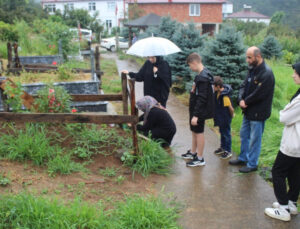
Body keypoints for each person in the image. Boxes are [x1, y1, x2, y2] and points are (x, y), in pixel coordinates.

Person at [229, 46, 275, 173]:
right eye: (247, 57)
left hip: (258, 113)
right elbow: (243, 85)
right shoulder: (252, 69)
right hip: (248, 111)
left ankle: (252, 163)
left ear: (258, 56)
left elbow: (260, 93)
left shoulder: (266, 73)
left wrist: (246, 101)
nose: (247, 60)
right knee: (244, 135)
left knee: (255, 139)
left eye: (249, 57)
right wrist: (240, 99)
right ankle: (243, 158)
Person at [264, 62, 300, 222]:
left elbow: (283, 117)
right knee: (295, 173)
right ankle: (291, 203)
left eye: (296, 73)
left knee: (277, 171)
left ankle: (283, 208)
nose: (293, 75)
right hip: (297, 145)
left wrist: (284, 111)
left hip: (293, 143)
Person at [181, 53, 214, 167]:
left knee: (199, 132)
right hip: (195, 109)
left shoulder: (203, 78)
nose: (190, 68)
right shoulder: (202, 74)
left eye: (190, 65)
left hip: (199, 111)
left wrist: (196, 115)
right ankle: (193, 152)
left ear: (195, 63)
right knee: (194, 131)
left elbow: (202, 98)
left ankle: (200, 158)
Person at [213, 76, 234, 159]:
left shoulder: (224, 96)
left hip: (225, 118)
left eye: (213, 86)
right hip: (220, 117)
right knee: (222, 132)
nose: (212, 88)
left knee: (226, 134)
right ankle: (223, 147)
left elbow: (230, 108)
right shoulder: (218, 93)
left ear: (218, 86)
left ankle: (228, 151)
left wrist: (231, 115)